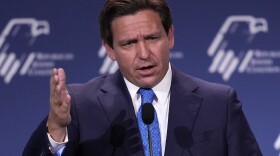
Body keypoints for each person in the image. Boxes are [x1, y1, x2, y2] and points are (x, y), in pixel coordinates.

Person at [23, 0, 262, 155]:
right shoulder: (80, 104)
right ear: (110, 49)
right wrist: (55, 127)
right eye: (128, 43)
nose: (144, 54)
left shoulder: (219, 104)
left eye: (152, 38)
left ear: (170, 36)